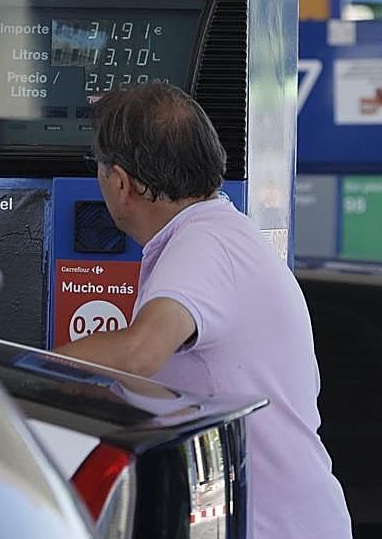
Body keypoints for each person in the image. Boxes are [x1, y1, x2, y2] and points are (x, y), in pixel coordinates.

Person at [56, 82, 352, 539]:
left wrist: (31, 372)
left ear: (120, 182)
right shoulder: (215, 234)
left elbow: (140, 354)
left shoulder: (205, 245)